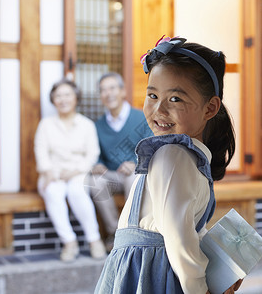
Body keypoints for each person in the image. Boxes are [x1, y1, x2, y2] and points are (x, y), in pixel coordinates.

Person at [94, 36, 242, 294]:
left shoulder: (175, 154)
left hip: (148, 270)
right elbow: (178, 236)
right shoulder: (173, 154)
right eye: (152, 95)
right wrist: (202, 289)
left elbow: (182, 229)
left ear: (210, 108)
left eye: (175, 99)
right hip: (157, 274)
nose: (158, 109)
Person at [34, 78, 106, 262]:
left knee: (77, 192)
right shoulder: (46, 125)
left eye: (67, 94)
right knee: (52, 192)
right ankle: (69, 242)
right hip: (54, 174)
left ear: (76, 98)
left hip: (78, 173)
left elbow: (92, 154)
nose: (63, 99)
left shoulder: (86, 125)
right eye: (58, 96)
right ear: (53, 100)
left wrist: (75, 171)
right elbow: (41, 152)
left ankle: (94, 240)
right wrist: (48, 172)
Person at [88, 72, 152, 251]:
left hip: (135, 173)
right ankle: (115, 233)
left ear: (123, 91)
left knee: (134, 176)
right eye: (103, 90)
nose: (108, 93)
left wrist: (134, 162)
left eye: (112, 88)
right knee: (94, 182)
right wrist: (98, 164)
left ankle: (133, 231)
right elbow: (96, 152)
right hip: (112, 175)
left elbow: (151, 146)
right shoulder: (98, 125)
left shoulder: (140, 118)